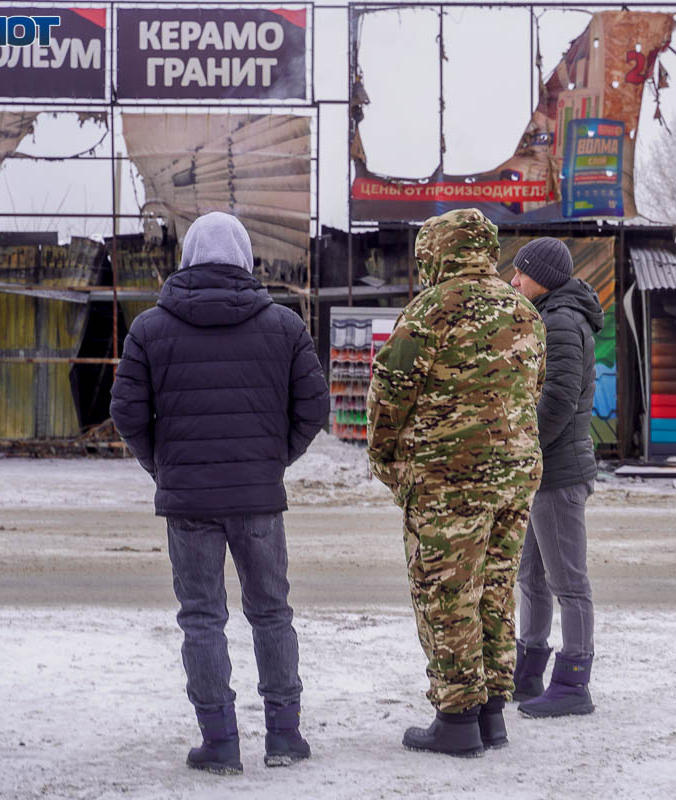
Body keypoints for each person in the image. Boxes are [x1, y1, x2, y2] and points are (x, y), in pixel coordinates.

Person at [110, 212, 329, 774]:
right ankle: (284, 736)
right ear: (245, 258)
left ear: (187, 258)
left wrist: (163, 466)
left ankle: (220, 742)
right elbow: (314, 408)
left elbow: (126, 413)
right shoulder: (284, 325)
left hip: (189, 502)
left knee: (202, 618)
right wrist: (273, 460)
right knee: (272, 612)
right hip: (258, 499)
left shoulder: (149, 329)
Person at [367, 208, 545, 758]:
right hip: (515, 475)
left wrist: (387, 460)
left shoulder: (430, 309)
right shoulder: (523, 310)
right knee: (495, 589)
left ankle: (457, 718)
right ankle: (492, 714)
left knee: (447, 592)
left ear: (437, 252)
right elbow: (533, 388)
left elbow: (389, 392)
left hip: (449, 478)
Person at [508, 237, 603, 718]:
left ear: (542, 277)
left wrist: (522, 448)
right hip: (544, 471)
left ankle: (573, 681)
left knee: (568, 581)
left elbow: (558, 401)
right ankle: (528, 671)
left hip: (558, 471)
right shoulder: (550, 316)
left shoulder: (561, 321)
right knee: (532, 575)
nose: (513, 281)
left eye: (521, 273)